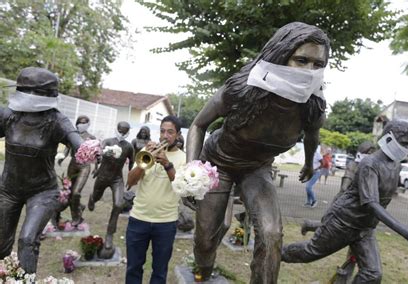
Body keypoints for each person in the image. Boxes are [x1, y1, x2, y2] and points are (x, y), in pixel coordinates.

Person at [185, 22, 328, 283]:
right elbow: (198, 124)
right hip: (218, 163)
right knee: (206, 237)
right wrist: (192, 170)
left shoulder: (313, 105)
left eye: (318, 64)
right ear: (281, 55)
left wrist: (309, 164)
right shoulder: (242, 88)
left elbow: (312, 135)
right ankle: (202, 272)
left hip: (256, 168)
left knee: (272, 234)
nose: (310, 71)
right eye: (302, 60)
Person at [282, 121, 408, 283]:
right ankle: (273, 252)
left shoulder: (397, 166)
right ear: (388, 139)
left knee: (372, 274)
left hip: (365, 227)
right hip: (344, 221)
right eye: (405, 143)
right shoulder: (370, 164)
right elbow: (371, 203)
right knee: (309, 252)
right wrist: (407, 233)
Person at [0, 67, 83, 273]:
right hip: (8, 189)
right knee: (1, 245)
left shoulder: (56, 120)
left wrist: (89, 149)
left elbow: (78, 143)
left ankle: (26, 279)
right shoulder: (8, 116)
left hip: (42, 191)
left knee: (27, 240)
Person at [125, 115, 186, 283]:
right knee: (133, 268)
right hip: (139, 219)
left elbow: (181, 188)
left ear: (178, 134)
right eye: (162, 131)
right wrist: (146, 160)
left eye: (170, 132)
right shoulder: (147, 151)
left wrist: (167, 164)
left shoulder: (183, 158)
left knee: (159, 272)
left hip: (166, 222)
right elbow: (130, 182)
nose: (165, 136)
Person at [87, 121, 135, 259]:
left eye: (125, 132)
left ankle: (109, 235)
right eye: (120, 130)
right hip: (103, 176)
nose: (121, 133)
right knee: (96, 197)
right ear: (116, 129)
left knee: (119, 204)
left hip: (117, 179)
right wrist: (97, 166)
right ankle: (92, 198)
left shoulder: (129, 147)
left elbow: (131, 162)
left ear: (128, 132)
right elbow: (98, 155)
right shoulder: (107, 141)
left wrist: (131, 177)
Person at [54, 115, 96, 227]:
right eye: (80, 122)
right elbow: (67, 148)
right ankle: (79, 206)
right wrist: (61, 157)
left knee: (76, 192)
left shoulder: (91, 137)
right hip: (73, 164)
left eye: (84, 122)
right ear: (76, 123)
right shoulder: (73, 135)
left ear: (88, 124)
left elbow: (96, 153)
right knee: (68, 191)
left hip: (85, 165)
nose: (82, 124)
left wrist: (97, 166)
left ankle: (77, 218)